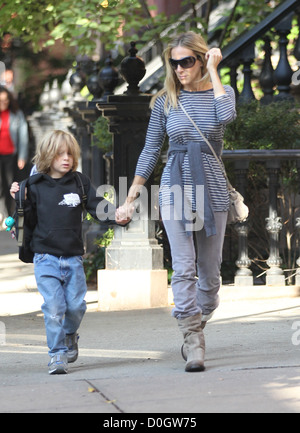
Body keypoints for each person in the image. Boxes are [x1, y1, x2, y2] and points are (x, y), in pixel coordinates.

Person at [115, 31, 236, 372]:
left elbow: (226, 117)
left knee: (210, 277)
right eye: (175, 62)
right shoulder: (165, 101)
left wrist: (214, 71)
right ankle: (193, 339)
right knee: (183, 267)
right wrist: (133, 192)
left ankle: (195, 322)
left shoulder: (221, 93)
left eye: (187, 61)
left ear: (201, 60)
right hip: (175, 185)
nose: (180, 69)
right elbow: (152, 148)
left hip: (211, 186)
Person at [10, 130, 119, 375]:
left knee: (77, 306)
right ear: (48, 156)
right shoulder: (35, 186)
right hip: (45, 257)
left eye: (70, 153)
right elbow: (25, 219)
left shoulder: (80, 182)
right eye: (60, 154)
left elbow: (97, 206)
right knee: (53, 307)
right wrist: (19, 199)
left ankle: (70, 334)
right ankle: (56, 355)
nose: (66, 158)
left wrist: (117, 214)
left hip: (72, 258)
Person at [0, 85, 29, 224]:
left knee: (10, 185)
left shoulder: (16, 114)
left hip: (11, 155)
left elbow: (23, 137)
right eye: (1, 100)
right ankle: (2, 214)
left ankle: (10, 215)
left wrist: (22, 156)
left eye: (6, 100)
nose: (3, 103)